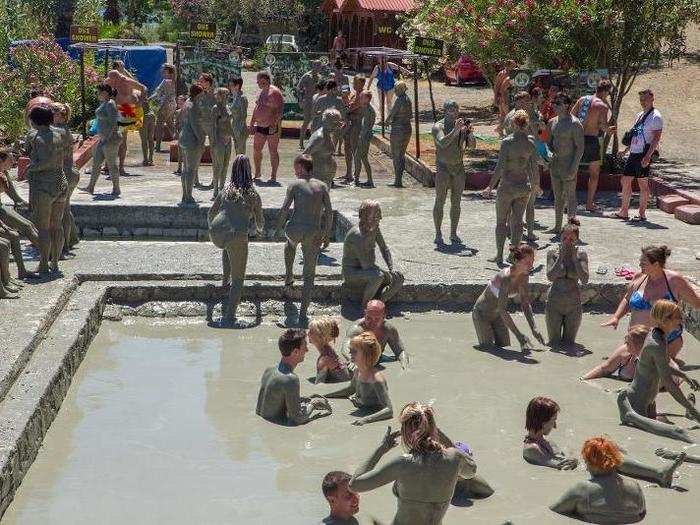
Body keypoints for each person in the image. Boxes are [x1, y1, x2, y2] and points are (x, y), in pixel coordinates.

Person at [349, 403, 478, 524]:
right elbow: (471, 472)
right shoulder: (455, 458)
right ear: (433, 428)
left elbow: (355, 485)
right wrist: (444, 440)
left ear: (405, 432)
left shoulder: (403, 463)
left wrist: (381, 449)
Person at [524, 396, 685, 486]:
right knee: (614, 458)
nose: (556, 424)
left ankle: (653, 470)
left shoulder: (542, 440)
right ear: (543, 421)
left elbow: (560, 460)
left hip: (583, 467)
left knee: (612, 446)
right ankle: (658, 473)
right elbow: (558, 466)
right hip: (584, 472)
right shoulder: (532, 449)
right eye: (553, 420)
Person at [617, 300, 700, 443]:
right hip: (637, 402)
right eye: (677, 316)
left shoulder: (658, 335)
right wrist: (696, 413)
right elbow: (670, 385)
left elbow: (664, 363)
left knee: (657, 434)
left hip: (648, 399)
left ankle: (689, 413)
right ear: (665, 320)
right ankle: (690, 412)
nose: (681, 319)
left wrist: (684, 375)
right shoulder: (655, 344)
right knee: (650, 441)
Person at [602, 245, 700, 363]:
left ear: (656, 264)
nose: (639, 265)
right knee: (612, 367)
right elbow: (627, 299)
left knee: (645, 375)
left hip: (665, 341)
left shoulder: (675, 280)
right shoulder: (639, 277)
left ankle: (670, 363)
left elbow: (697, 303)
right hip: (637, 341)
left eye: (643, 263)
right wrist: (616, 317)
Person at [276, 154, 333, 324]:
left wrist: (278, 228)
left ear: (301, 167)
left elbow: (285, 208)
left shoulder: (294, 185)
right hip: (313, 232)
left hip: (294, 229)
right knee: (309, 274)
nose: (294, 171)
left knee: (290, 244)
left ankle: (289, 274)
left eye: (295, 168)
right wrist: (327, 234)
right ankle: (303, 314)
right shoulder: (323, 186)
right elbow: (329, 213)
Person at [208, 155, 264, 327]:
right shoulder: (253, 194)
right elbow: (260, 222)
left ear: (233, 170)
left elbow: (210, 213)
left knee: (228, 247)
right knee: (239, 280)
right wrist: (259, 231)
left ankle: (225, 282)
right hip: (237, 234)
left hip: (217, 232)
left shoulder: (226, 190)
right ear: (249, 172)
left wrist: (213, 229)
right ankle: (229, 316)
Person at [483, 110, 539, 264]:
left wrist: (490, 186)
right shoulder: (531, 143)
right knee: (518, 222)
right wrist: (536, 185)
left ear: (513, 124)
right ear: (527, 124)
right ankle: (513, 255)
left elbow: (500, 167)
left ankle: (500, 255)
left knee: (501, 222)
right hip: (523, 187)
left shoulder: (507, 142)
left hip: (507, 187)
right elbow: (533, 167)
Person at [549, 437, 646, 524]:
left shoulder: (583, 489)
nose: (586, 467)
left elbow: (554, 510)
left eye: (586, 461)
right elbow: (642, 514)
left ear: (591, 462)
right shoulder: (635, 486)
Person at [472, 244, 545, 351]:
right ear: (516, 261)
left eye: (532, 261)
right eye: (527, 262)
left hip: (498, 316)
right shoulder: (505, 278)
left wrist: (534, 329)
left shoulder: (524, 276)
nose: (531, 266)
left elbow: (525, 304)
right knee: (488, 349)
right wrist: (519, 335)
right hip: (482, 314)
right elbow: (503, 309)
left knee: (505, 347)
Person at [255, 328, 332, 425]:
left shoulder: (269, 370)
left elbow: (271, 403)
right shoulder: (290, 379)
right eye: (305, 347)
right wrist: (313, 404)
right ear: (296, 352)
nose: (307, 350)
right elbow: (297, 419)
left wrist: (300, 399)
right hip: (276, 433)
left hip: (263, 424)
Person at [25, 105, 69, 274]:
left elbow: (47, 161)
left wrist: (31, 169)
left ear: (35, 121)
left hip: (44, 184)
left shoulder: (39, 138)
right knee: (56, 226)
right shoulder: (60, 133)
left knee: (43, 227)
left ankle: (44, 264)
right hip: (60, 181)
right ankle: (55, 263)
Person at [342, 200, 404, 307]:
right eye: (376, 216)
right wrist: (387, 275)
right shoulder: (358, 236)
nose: (380, 218)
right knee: (378, 277)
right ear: (366, 217)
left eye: (379, 215)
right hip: (351, 273)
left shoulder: (374, 228)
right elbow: (367, 265)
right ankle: (365, 306)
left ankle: (380, 301)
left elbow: (384, 249)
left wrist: (391, 268)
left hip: (366, 269)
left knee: (397, 277)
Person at [614, 89, 663, 221]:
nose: (643, 102)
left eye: (645, 99)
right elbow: (636, 134)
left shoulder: (656, 116)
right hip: (633, 152)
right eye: (641, 100)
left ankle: (642, 214)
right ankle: (624, 211)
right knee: (625, 180)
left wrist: (648, 156)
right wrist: (626, 150)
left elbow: (656, 139)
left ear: (652, 99)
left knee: (642, 184)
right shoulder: (640, 115)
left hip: (643, 153)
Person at [325, 332, 393, 425]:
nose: (350, 353)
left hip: (371, 411)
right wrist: (326, 395)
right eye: (350, 350)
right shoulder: (357, 371)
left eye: (354, 351)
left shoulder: (376, 379)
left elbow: (389, 410)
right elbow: (350, 389)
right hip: (359, 404)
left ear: (366, 354)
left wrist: (366, 420)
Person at [432, 100, 474, 245]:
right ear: (445, 110)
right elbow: (442, 143)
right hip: (443, 168)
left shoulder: (461, 127)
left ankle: (453, 233)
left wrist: (470, 133)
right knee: (440, 200)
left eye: (455, 109)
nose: (453, 111)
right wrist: (455, 131)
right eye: (450, 109)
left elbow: (473, 147)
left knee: (456, 202)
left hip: (458, 167)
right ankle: (438, 232)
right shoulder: (438, 126)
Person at [570, 79, 616, 213]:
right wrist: (609, 130)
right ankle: (589, 203)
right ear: (607, 91)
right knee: (594, 173)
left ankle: (569, 202)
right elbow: (602, 124)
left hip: (577, 138)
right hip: (592, 140)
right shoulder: (602, 106)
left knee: (573, 171)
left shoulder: (582, 99)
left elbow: (572, 116)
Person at [545, 219, 589, 346]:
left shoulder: (581, 255)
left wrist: (575, 260)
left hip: (573, 305)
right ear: (560, 238)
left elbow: (585, 279)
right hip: (554, 304)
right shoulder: (552, 254)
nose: (567, 242)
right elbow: (550, 276)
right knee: (553, 343)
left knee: (570, 344)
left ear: (577, 240)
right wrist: (560, 258)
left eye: (571, 239)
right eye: (565, 238)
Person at [546, 94, 584, 234]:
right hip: (555, 165)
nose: (555, 105)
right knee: (557, 197)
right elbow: (548, 143)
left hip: (569, 164)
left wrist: (574, 167)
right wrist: (548, 154)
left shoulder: (574, 123)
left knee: (570, 196)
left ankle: (571, 228)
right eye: (554, 103)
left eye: (559, 103)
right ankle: (557, 226)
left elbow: (580, 147)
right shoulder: (552, 122)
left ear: (567, 105)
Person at [342, 299, 409, 369]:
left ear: (383, 317)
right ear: (365, 314)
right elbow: (345, 347)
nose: (372, 322)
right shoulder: (357, 328)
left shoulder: (388, 329)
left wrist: (405, 367)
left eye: (377, 319)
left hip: (378, 358)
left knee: (397, 361)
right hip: (359, 358)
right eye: (369, 318)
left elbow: (400, 351)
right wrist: (353, 360)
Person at [105, 67, 146, 178]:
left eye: (115, 81)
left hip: (126, 109)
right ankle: (107, 165)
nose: (113, 84)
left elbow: (143, 88)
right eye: (111, 81)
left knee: (122, 139)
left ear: (119, 77)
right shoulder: (108, 81)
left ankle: (121, 167)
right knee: (109, 137)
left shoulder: (127, 81)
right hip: (114, 109)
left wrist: (141, 102)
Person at [50, 103, 80, 255]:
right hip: (71, 171)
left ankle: (65, 244)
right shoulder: (64, 129)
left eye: (52, 112)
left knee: (63, 211)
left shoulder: (58, 131)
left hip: (66, 172)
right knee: (65, 208)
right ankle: (71, 239)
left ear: (59, 115)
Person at [0, 150, 39, 253]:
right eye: (10, 159)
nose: (13, 162)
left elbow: (13, 194)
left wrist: (22, 202)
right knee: (26, 227)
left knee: (30, 224)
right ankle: (47, 256)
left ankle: (48, 252)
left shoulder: (4, 173)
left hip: (1, 206)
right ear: (1, 160)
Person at [87, 84, 122, 196]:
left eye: (98, 92)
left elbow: (114, 123)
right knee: (96, 163)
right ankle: (90, 187)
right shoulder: (104, 103)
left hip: (110, 139)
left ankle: (116, 188)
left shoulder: (111, 104)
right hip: (102, 139)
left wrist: (107, 137)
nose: (97, 95)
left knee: (112, 164)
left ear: (105, 93)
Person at [581, 325, 651, 381]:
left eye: (628, 342)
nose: (625, 343)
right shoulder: (624, 350)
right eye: (626, 339)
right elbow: (604, 368)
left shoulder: (654, 357)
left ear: (640, 346)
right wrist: (583, 379)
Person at [250, 72, 284, 183]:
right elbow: (257, 108)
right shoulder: (262, 92)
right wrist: (252, 122)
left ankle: (273, 175)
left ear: (266, 80)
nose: (257, 83)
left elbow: (279, 111)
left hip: (271, 126)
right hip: (260, 125)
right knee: (256, 149)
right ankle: (257, 172)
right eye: (257, 81)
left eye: (259, 81)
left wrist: (274, 124)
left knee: (273, 151)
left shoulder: (274, 92)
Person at [179, 83, 205, 205]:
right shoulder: (193, 106)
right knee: (191, 170)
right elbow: (196, 126)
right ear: (197, 94)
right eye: (200, 95)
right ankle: (188, 196)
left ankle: (185, 194)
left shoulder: (186, 103)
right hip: (191, 141)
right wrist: (202, 141)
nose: (202, 98)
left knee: (185, 169)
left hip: (183, 138)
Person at [303, 109, 343, 189]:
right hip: (318, 177)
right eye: (333, 123)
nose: (337, 126)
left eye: (338, 123)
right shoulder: (319, 137)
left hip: (326, 178)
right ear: (325, 121)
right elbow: (305, 155)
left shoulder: (327, 134)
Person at [368, 54, 411, 123]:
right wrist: (368, 88)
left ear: (386, 59)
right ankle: (382, 119)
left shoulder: (390, 65)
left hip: (391, 86)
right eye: (381, 59)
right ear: (379, 60)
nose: (383, 60)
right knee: (381, 103)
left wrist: (408, 72)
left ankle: (389, 119)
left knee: (389, 102)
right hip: (381, 87)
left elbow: (399, 68)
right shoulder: (377, 68)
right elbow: (371, 78)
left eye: (384, 58)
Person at [385, 81, 412, 188]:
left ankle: (397, 180)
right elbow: (409, 115)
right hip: (407, 129)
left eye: (396, 89)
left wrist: (386, 121)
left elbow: (392, 114)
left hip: (398, 130)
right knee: (401, 155)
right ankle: (399, 179)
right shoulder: (408, 100)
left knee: (396, 155)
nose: (395, 91)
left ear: (401, 90)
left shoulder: (399, 100)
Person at [310, 316, 350, 384]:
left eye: (311, 332)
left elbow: (319, 386)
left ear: (321, 337)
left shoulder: (323, 360)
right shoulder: (329, 349)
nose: (308, 334)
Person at [342, 76, 367, 184]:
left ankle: (356, 175)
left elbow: (350, 108)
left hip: (356, 125)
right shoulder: (354, 95)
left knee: (355, 151)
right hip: (350, 125)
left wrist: (343, 102)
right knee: (347, 149)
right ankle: (348, 173)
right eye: (353, 82)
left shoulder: (362, 95)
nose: (353, 84)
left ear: (361, 84)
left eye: (355, 83)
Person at [211, 87, 233, 199]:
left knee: (225, 165)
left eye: (227, 95)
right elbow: (213, 126)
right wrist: (213, 141)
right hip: (219, 139)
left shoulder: (228, 107)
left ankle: (222, 188)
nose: (227, 97)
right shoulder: (216, 108)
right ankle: (215, 190)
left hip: (228, 139)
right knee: (218, 166)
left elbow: (230, 124)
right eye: (225, 95)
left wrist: (234, 137)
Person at [150, 64, 177, 152]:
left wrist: (149, 98)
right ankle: (179, 142)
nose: (162, 72)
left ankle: (157, 146)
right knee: (170, 124)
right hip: (172, 105)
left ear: (169, 72)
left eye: (164, 71)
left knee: (159, 126)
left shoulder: (166, 81)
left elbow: (158, 92)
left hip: (165, 105)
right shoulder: (173, 80)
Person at [196, 72, 216, 188]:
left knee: (214, 152)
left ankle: (215, 179)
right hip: (200, 124)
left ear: (208, 83)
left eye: (202, 81)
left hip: (212, 125)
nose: (200, 83)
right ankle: (195, 179)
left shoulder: (215, 94)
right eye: (199, 81)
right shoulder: (197, 93)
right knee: (197, 150)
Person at [297, 60, 323, 149]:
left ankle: (313, 142)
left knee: (316, 122)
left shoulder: (320, 77)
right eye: (317, 66)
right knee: (306, 121)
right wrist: (300, 100)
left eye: (320, 66)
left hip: (317, 101)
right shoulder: (307, 76)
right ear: (313, 66)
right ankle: (301, 142)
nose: (318, 68)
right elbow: (299, 88)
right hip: (308, 101)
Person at [353, 91, 376, 187]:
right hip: (365, 135)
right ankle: (363, 179)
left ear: (367, 99)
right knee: (361, 158)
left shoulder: (368, 110)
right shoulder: (365, 108)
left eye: (362, 97)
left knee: (360, 157)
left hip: (365, 136)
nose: (360, 99)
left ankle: (359, 179)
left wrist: (361, 137)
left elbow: (366, 126)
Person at [494, 60, 516, 136]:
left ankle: (500, 130)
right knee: (507, 114)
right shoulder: (502, 74)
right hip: (503, 96)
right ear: (508, 65)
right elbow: (497, 86)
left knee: (503, 115)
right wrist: (496, 97)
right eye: (513, 65)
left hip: (508, 96)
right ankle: (503, 130)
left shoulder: (513, 73)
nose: (514, 67)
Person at [227, 77, 248, 156]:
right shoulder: (235, 97)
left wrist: (239, 130)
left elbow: (244, 115)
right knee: (237, 151)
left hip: (240, 128)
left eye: (231, 85)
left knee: (241, 152)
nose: (230, 87)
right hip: (235, 127)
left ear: (237, 86)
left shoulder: (242, 98)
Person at [138, 92, 155, 167]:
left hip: (144, 117)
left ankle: (145, 160)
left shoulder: (138, 99)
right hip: (152, 116)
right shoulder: (147, 99)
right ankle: (151, 159)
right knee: (151, 139)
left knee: (144, 140)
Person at [173, 95, 187, 175]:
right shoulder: (178, 112)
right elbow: (176, 123)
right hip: (181, 133)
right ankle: (179, 168)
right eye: (178, 102)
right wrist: (175, 132)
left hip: (188, 133)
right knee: (180, 152)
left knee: (186, 152)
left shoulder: (189, 111)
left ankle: (186, 168)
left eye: (181, 101)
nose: (179, 103)